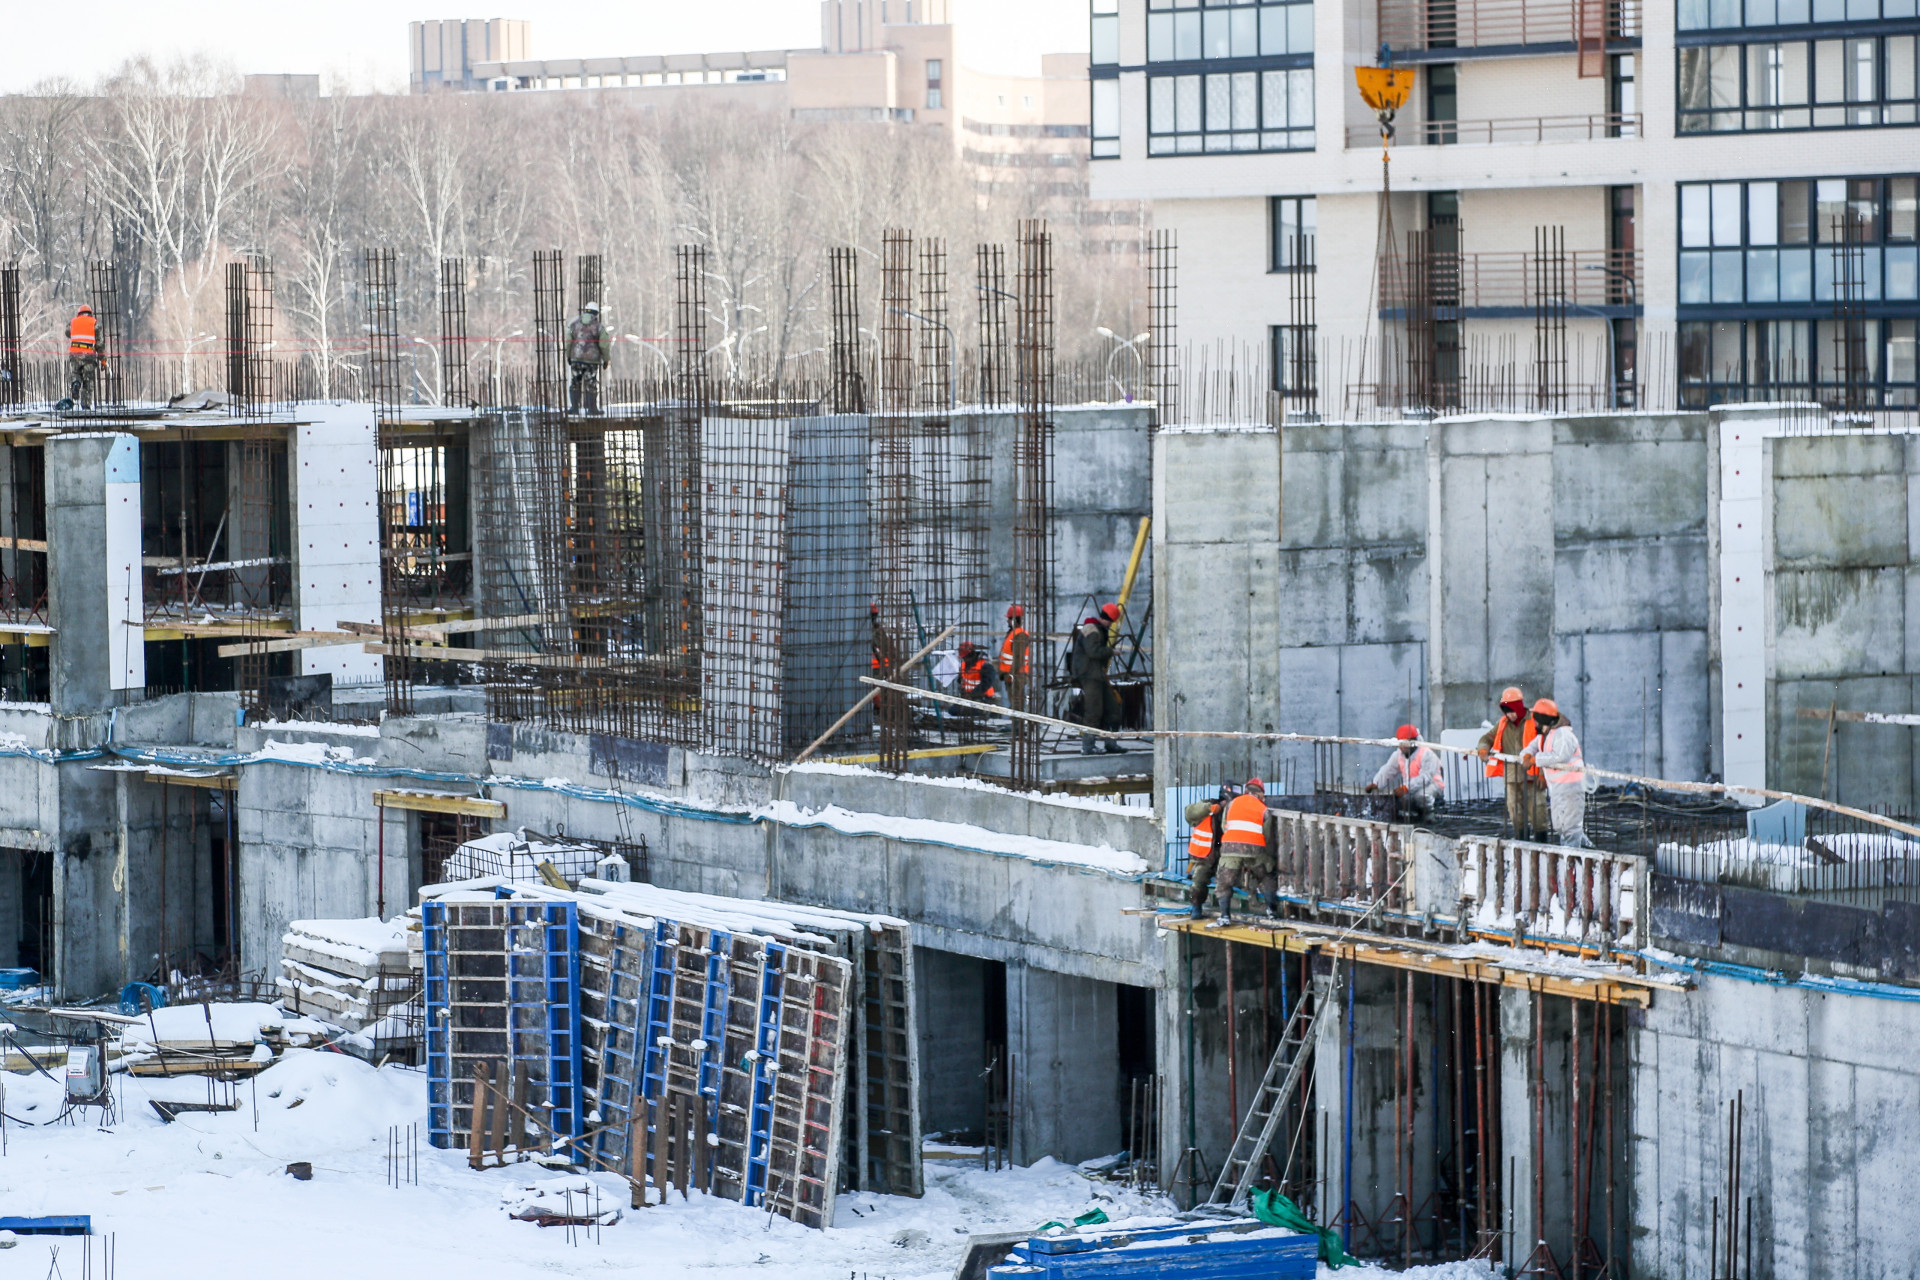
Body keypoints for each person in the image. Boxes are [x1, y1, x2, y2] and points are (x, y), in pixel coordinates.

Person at [1477, 686, 1548, 841]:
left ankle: (1542, 845)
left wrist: (1543, 774)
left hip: (1533, 776)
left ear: (1519, 707)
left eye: (1512, 710)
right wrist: (1483, 749)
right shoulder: (1503, 723)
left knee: (1538, 812)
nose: (1510, 715)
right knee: (1515, 813)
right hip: (1511, 777)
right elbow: (1487, 737)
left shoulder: (1535, 720)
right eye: (1506, 711)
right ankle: (1522, 844)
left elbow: (1545, 746)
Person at [1521, 698, 1592, 848]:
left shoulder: (1563, 734)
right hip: (1558, 788)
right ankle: (1583, 851)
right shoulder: (1544, 735)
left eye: (1535, 719)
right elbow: (1530, 748)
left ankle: (1574, 861)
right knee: (1561, 825)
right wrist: (1527, 755)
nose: (1533, 723)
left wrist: (1535, 760)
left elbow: (1561, 757)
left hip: (1571, 787)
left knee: (1570, 828)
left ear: (1542, 719)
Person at [1210, 778, 1278, 925]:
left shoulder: (1232, 804)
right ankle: (1271, 910)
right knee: (1265, 876)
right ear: (1260, 794)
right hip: (1255, 850)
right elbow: (1266, 835)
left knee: (1224, 882)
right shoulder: (1263, 809)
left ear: (1246, 791)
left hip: (1231, 849)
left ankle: (1225, 916)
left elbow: (1224, 826)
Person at [1069, 602, 1124, 755]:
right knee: (1093, 711)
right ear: (1108, 619)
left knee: (1113, 708)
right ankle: (1088, 746)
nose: (1111, 625)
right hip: (1089, 676)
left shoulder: (1096, 629)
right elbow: (1093, 651)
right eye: (1111, 622)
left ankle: (1110, 743)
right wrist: (1111, 652)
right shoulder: (1092, 630)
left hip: (1096, 675)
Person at [1365, 724, 1445, 819]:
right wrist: (1376, 783)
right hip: (1411, 785)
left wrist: (1406, 787)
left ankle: (1429, 815)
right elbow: (1388, 770)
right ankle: (1415, 816)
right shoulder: (1399, 754)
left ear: (1413, 742)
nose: (1401, 747)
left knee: (1421, 796)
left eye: (1404, 744)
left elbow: (1425, 778)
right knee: (1401, 799)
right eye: (1400, 744)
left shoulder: (1426, 754)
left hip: (1432, 784)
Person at [1184, 784, 1232, 916]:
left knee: (1227, 880)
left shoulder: (1236, 810)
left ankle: (1225, 913)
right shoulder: (1208, 806)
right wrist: (1209, 808)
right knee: (1199, 879)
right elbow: (1189, 812)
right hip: (1206, 855)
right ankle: (1196, 907)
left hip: (1227, 854)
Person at [566, 300, 609, 413]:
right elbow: (604, 344)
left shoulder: (574, 324)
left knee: (575, 382)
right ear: (596, 313)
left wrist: (569, 356)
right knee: (591, 383)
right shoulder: (599, 327)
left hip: (576, 358)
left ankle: (574, 408)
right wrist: (606, 359)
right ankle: (592, 409)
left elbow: (568, 341)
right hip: (592, 361)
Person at [66, 304, 102, 408]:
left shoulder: (73, 322)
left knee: (76, 373)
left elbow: (67, 333)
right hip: (89, 355)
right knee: (88, 380)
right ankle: (85, 405)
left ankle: (76, 383)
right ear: (90, 314)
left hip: (75, 354)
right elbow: (100, 344)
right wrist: (102, 359)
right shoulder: (95, 323)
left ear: (79, 314)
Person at [998, 605, 1031, 703]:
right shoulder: (1013, 633)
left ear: (1014, 620)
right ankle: (1016, 718)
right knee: (1014, 702)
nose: (1007, 621)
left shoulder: (1020, 634)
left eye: (1009, 618)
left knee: (1016, 704)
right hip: (1013, 674)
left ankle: (1018, 719)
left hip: (1016, 675)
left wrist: (1011, 675)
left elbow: (1018, 658)